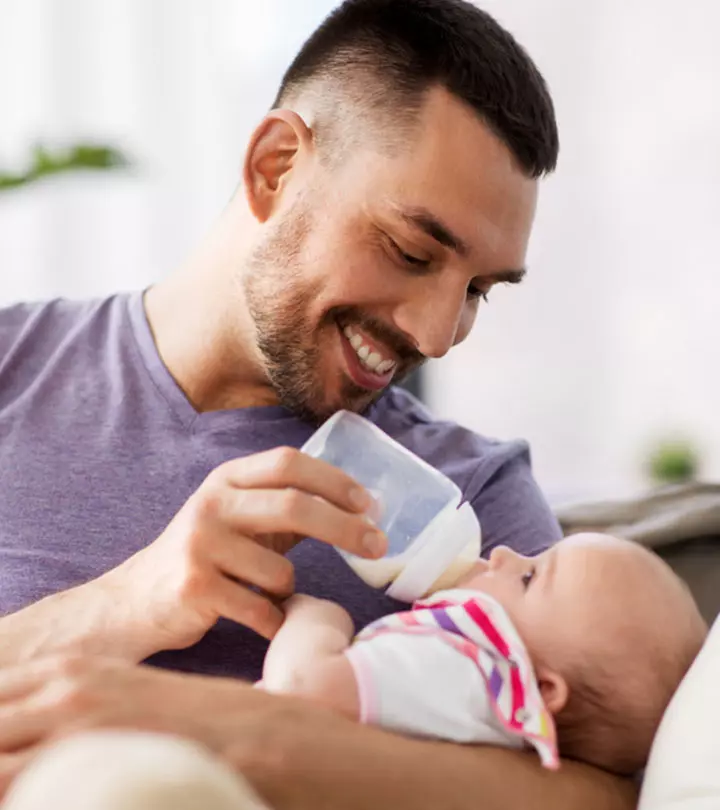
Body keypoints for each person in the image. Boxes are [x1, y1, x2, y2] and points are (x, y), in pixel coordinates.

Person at [0, 0, 641, 807]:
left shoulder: (468, 496)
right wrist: (125, 604)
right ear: (276, 167)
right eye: (411, 251)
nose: (439, 335)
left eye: (478, 290)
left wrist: (244, 732)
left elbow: (604, 793)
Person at [263, 534, 708, 777]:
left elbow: (301, 689)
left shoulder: (466, 670)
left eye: (529, 577)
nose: (502, 553)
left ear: (543, 688)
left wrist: (318, 618)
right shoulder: (485, 711)